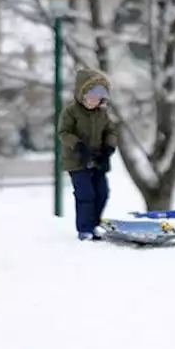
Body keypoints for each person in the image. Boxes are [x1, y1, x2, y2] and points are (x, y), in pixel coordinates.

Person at [58, 67, 118, 240]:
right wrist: (78, 145)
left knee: (102, 192)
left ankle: (95, 224)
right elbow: (63, 132)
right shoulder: (71, 111)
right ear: (81, 95)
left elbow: (111, 131)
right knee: (85, 194)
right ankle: (85, 228)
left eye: (97, 99)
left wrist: (108, 148)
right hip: (77, 160)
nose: (93, 102)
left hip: (98, 158)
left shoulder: (102, 114)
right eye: (89, 98)